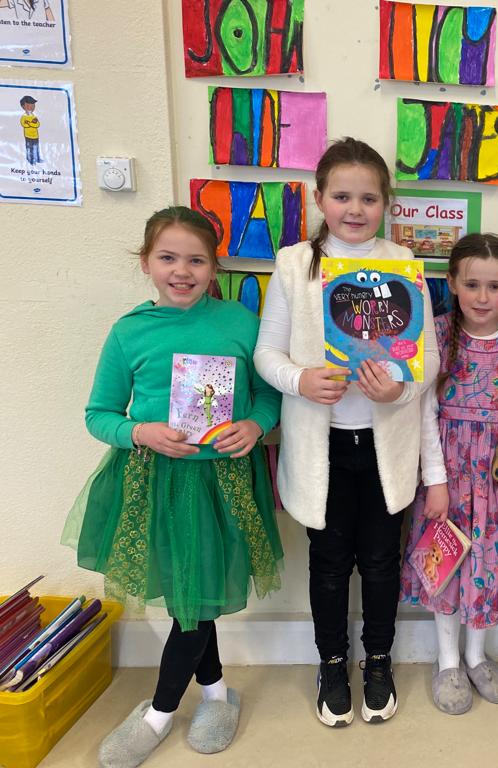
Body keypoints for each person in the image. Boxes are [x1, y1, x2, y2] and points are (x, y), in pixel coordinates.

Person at [63, 206, 283, 768]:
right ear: (146, 263)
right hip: (153, 481)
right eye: (167, 258)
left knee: (197, 598)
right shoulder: (129, 332)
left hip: (222, 483)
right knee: (192, 597)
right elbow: (98, 414)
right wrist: (140, 432)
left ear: (215, 267)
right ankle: (214, 693)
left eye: (196, 260)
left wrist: (255, 425)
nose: (181, 271)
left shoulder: (239, 323)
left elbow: (268, 395)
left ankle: (159, 713)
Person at [254, 137, 439, 728]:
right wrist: (301, 380)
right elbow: (266, 352)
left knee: (382, 562)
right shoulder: (293, 264)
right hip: (322, 445)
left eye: (368, 198)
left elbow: (428, 361)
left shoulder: (402, 263)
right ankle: (332, 662)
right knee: (329, 563)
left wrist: (397, 390)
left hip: (384, 447)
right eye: (341, 196)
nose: (355, 209)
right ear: (319, 199)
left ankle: (378, 659)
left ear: (386, 203)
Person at [399, 233, 498, 715]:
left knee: (486, 565)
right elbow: (425, 413)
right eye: (471, 285)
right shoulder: (435, 335)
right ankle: (447, 661)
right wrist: (435, 480)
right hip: (447, 475)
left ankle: (476, 656)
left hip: (495, 482)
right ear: (451, 283)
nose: (482, 297)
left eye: (494, 286)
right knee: (444, 563)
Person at [19, 95, 40, 166]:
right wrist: (32, 123)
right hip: (28, 136)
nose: (31, 107)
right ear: (23, 107)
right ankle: (30, 160)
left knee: (36, 147)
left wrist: (30, 123)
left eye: (33, 105)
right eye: (28, 105)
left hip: (35, 135)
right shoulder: (24, 116)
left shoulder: (34, 116)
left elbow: (37, 124)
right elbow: (24, 124)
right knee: (29, 148)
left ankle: (37, 158)